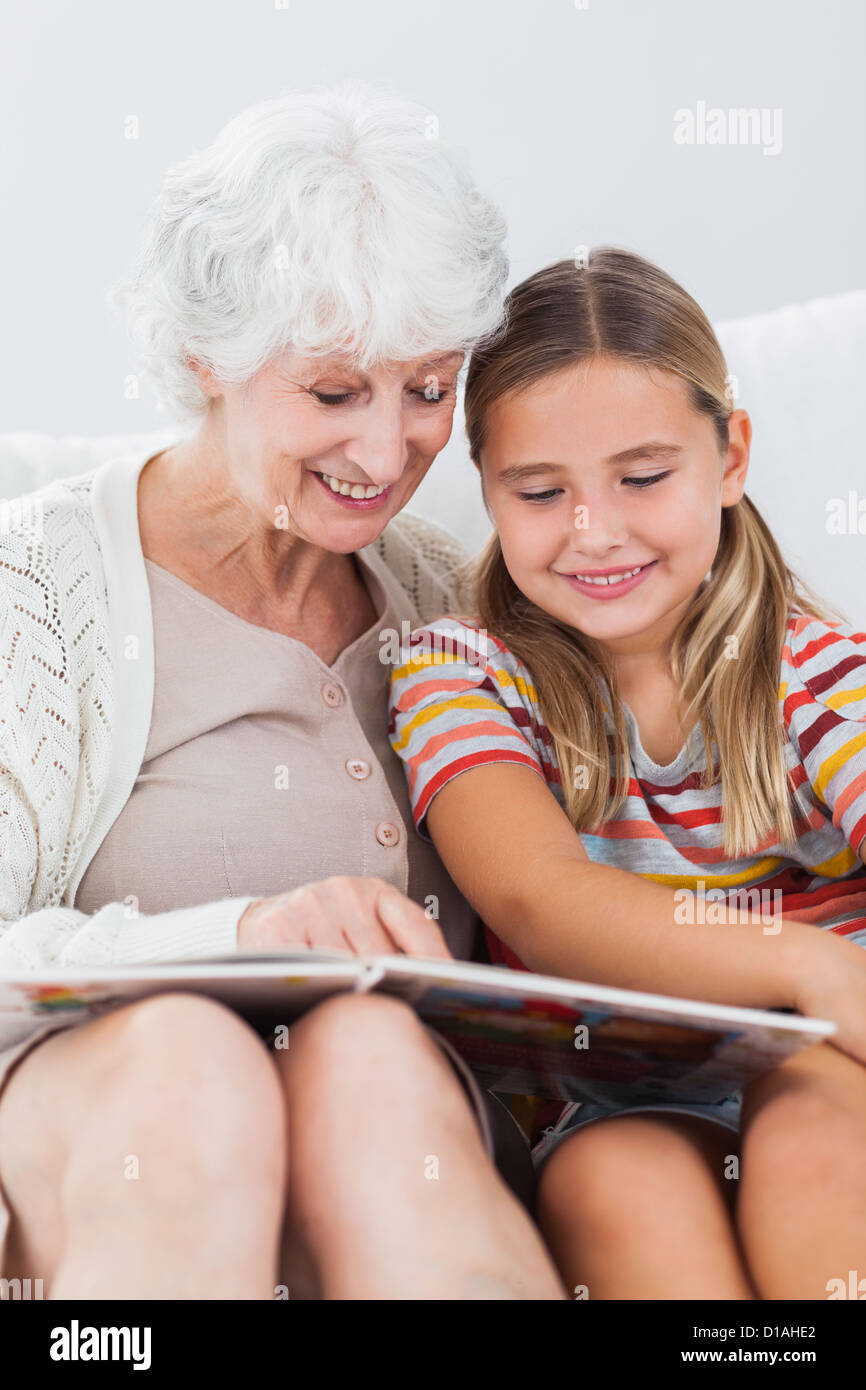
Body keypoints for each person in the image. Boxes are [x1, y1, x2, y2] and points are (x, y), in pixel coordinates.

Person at [0, 80, 565, 1300]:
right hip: (96, 1111)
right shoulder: (28, 588)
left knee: (367, 1050)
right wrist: (240, 937)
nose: (384, 453)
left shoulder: (455, 599)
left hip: (389, 1121)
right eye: (330, 393)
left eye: (426, 389)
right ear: (207, 351)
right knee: (192, 1062)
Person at [388, 246, 866, 1299]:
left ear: (730, 456)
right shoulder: (459, 672)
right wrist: (808, 962)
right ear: (487, 490)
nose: (592, 530)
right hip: (618, 1089)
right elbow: (537, 896)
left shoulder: (815, 672)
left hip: (828, 1052)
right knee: (615, 1188)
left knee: (813, 1157)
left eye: (642, 477)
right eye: (539, 490)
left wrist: (827, 993)